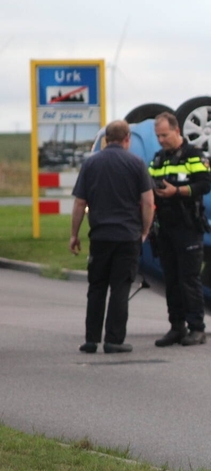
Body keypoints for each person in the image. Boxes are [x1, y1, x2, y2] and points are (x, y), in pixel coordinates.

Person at [69, 120, 154, 354]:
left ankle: (91, 339)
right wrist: (145, 230)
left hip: (100, 236)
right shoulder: (136, 164)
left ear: (106, 139)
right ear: (127, 139)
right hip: (127, 236)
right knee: (120, 288)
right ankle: (114, 340)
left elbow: (79, 203)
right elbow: (148, 202)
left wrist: (74, 234)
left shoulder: (91, 164)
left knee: (96, 287)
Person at [149, 112, 211, 347]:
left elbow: (205, 185)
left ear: (177, 131)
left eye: (165, 135)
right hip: (164, 227)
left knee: (189, 279)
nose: (161, 140)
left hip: (188, 226)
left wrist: (177, 192)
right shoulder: (158, 159)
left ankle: (197, 328)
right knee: (172, 280)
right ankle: (177, 326)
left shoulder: (194, 155)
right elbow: (149, 183)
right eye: (158, 136)